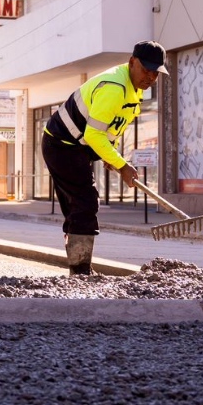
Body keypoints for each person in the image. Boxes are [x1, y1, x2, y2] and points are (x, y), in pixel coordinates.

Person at [41, 41, 167, 275]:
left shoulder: (133, 89)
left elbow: (113, 127)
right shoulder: (114, 87)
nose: (150, 77)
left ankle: (78, 266)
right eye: (146, 70)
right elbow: (93, 134)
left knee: (79, 205)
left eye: (155, 73)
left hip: (78, 146)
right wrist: (122, 165)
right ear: (132, 63)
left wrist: (112, 154)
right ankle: (80, 271)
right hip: (62, 145)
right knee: (86, 202)